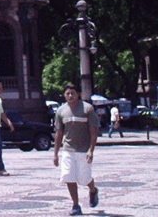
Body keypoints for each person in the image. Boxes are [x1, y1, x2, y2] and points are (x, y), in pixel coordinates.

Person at [53, 83, 99, 216]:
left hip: (83, 150)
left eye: (73, 93)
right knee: (68, 176)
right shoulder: (61, 111)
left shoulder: (87, 109)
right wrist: (55, 153)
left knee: (84, 178)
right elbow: (59, 134)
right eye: (67, 94)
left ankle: (93, 190)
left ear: (78, 94)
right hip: (68, 149)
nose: (70, 96)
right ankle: (75, 204)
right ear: (64, 95)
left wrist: (91, 150)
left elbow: (94, 132)